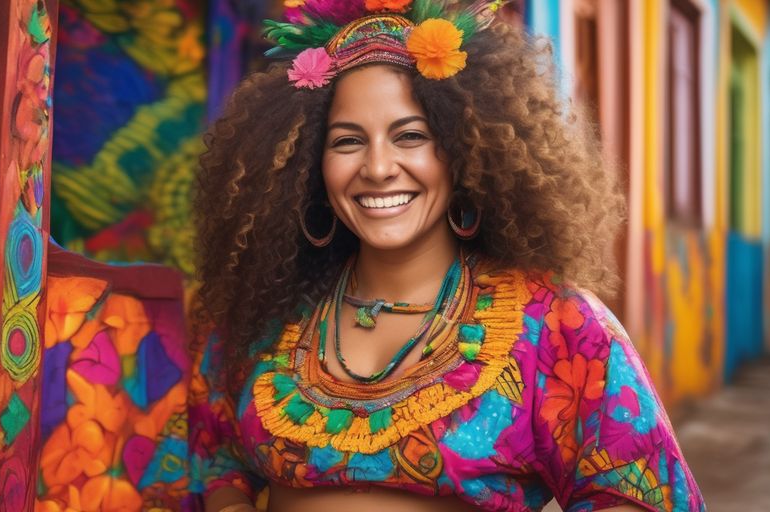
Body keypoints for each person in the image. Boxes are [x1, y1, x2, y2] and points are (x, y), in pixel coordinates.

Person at [188, 1, 705, 511]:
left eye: (410, 136)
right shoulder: (261, 314)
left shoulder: (556, 327)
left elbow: (639, 492)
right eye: (347, 142)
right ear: (310, 168)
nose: (378, 167)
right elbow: (212, 456)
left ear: (462, 152)